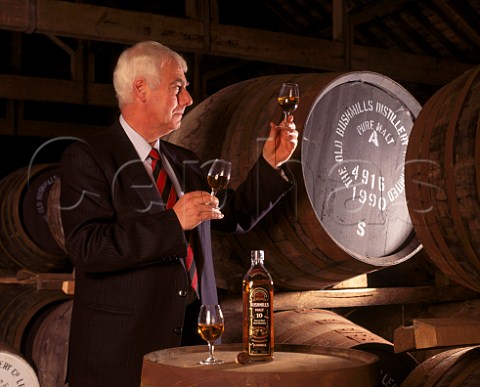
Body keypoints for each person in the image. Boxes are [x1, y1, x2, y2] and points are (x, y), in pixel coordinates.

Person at [59, 40, 298, 386]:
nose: (187, 98)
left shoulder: (182, 161)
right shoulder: (89, 158)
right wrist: (172, 222)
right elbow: (89, 249)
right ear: (141, 88)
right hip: (122, 353)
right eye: (178, 87)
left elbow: (237, 214)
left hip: (195, 340)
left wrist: (270, 163)